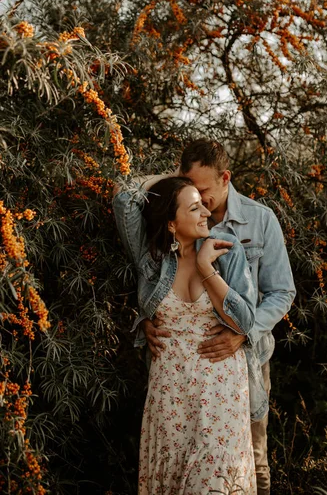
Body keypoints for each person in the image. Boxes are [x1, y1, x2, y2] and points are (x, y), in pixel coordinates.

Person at [136, 140, 296, 495]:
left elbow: (282, 292)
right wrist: (147, 318)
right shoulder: (172, 229)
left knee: (252, 461)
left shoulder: (260, 219)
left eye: (203, 190)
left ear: (226, 178)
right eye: (189, 189)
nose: (200, 199)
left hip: (244, 361)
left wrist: (245, 331)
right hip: (178, 375)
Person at [113, 174, 264, 494]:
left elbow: (245, 322)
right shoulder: (152, 259)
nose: (207, 213)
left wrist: (208, 269)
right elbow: (124, 195)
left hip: (220, 396)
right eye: (195, 208)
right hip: (169, 398)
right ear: (171, 223)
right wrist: (181, 177)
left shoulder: (226, 248)